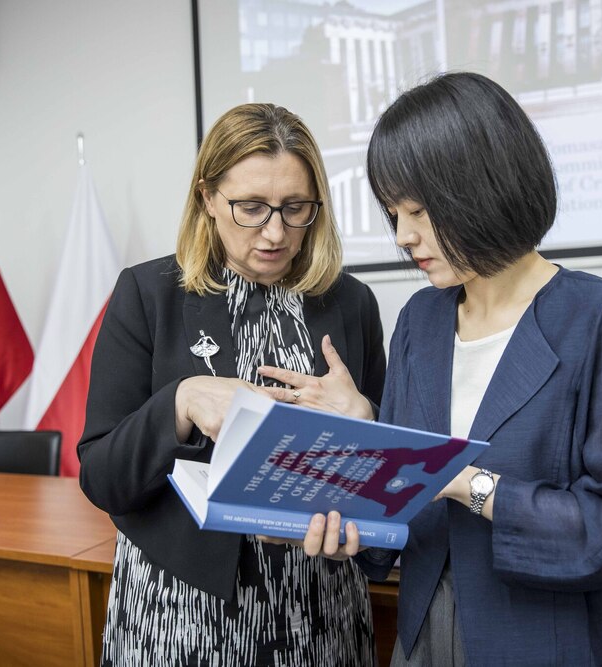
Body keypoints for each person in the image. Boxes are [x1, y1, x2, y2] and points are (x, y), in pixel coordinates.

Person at [272, 72, 602, 665]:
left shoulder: (600, 318)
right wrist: (364, 441)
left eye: (419, 210)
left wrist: (466, 481)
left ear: (482, 188)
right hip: (421, 639)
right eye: (393, 214)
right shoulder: (421, 320)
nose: (405, 236)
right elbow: (405, 510)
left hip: (544, 643)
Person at [77, 102, 386, 666]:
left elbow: (385, 485)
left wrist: (364, 418)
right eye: (250, 208)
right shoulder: (148, 295)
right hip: (180, 616)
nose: (275, 232)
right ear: (207, 199)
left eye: (296, 209)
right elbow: (102, 478)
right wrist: (182, 399)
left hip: (320, 612)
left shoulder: (352, 303)